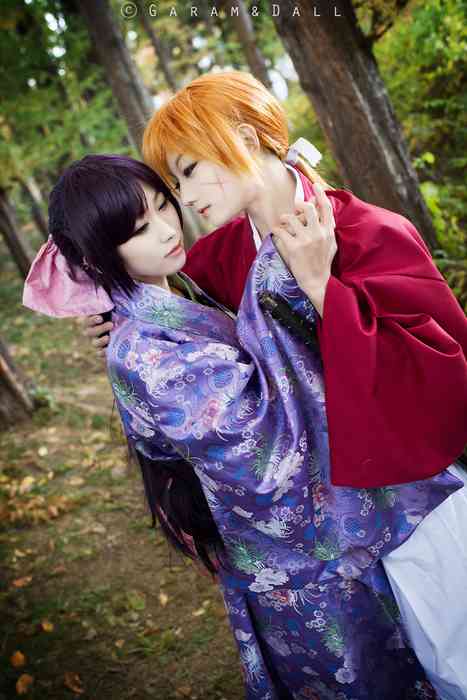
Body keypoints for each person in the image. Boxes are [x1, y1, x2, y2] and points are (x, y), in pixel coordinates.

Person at [82, 71, 467, 698]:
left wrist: (322, 288)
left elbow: (444, 371)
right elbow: (182, 320)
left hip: (414, 496)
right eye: (175, 184)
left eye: (190, 171)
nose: (186, 197)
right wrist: (120, 317)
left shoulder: (369, 230)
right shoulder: (222, 257)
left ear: (242, 136)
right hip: (335, 532)